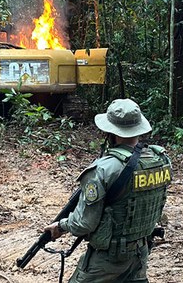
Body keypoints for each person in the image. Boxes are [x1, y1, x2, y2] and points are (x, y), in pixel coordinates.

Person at [44, 98, 172, 283]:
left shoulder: (103, 169)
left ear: (110, 132)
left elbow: (84, 224)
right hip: (141, 253)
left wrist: (61, 226)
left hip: (109, 260)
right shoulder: (161, 160)